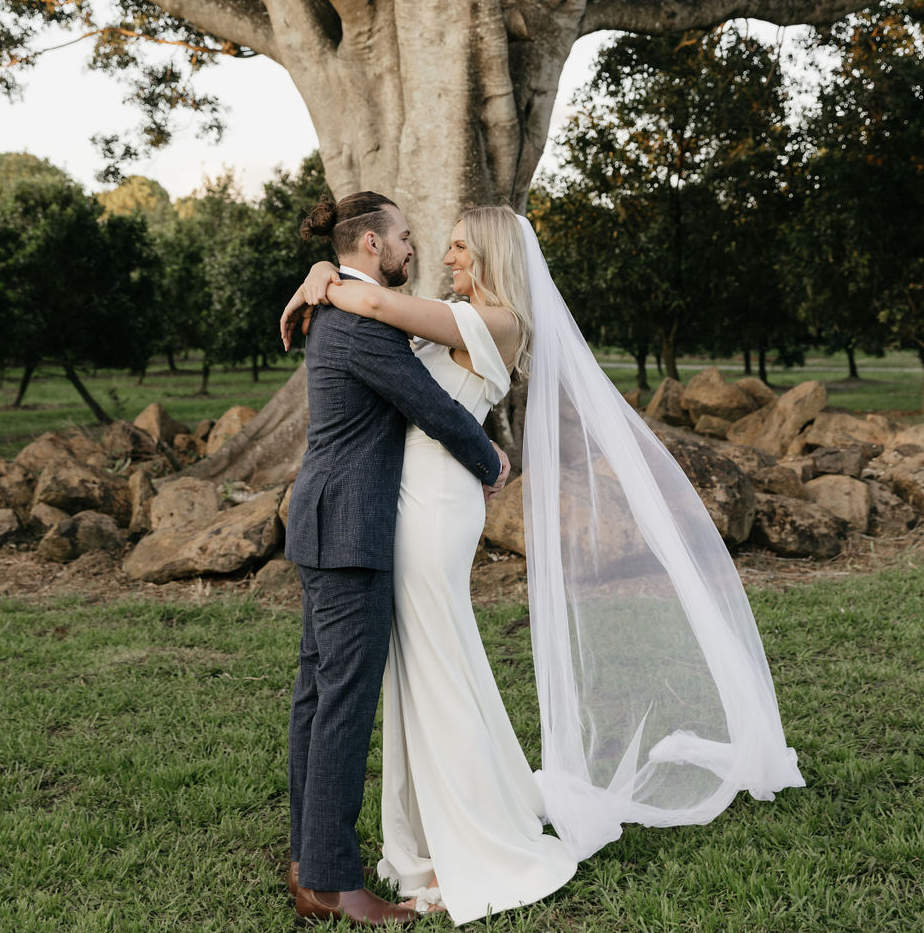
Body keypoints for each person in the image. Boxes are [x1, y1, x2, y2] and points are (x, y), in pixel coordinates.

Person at [283, 204, 805, 925]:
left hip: (431, 515)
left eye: (463, 247)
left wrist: (325, 276)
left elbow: (372, 302)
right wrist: (323, 269)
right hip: (395, 511)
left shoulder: (495, 323)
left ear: (496, 254)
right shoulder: (451, 310)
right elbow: (371, 305)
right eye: (444, 244)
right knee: (422, 669)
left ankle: (459, 830)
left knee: (435, 665)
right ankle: (414, 835)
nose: (449, 255)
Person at [283, 190, 511, 927]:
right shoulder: (362, 316)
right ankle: (329, 880)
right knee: (341, 702)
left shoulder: (336, 304)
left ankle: (306, 855)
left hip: (324, 520)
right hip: (354, 530)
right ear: (374, 247)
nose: (419, 250)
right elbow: (436, 409)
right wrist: (491, 459)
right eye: (408, 238)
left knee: (317, 695)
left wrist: (324, 272)